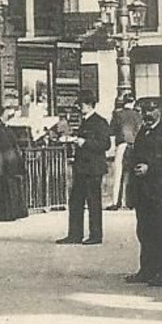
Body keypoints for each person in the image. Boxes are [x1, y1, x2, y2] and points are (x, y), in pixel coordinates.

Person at [124, 97, 162, 287]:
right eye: (144, 111)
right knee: (144, 230)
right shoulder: (143, 132)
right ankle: (147, 269)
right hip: (143, 191)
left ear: (160, 111)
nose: (147, 114)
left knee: (161, 230)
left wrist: (150, 168)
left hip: (160, 190)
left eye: (151, 110)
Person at [57, 90, 111, 244]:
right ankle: (75, 234)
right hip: (82, 168)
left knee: (93, 202)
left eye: (81, 104)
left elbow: (105, 144)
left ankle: (95, 235)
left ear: (89, 104)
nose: (79, 108)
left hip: (93, 168)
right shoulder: (86, 121)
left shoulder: (100, 122)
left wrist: (84, 142)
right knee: (76, 201)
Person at [107, 91, 141, 210]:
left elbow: (111, 132)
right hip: (135, 145)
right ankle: (130, 201)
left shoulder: (117, 114)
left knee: (118, 174)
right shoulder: (138, 115)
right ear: (134, 102)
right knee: (132, 174)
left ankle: (116, 201)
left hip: (122, 145)